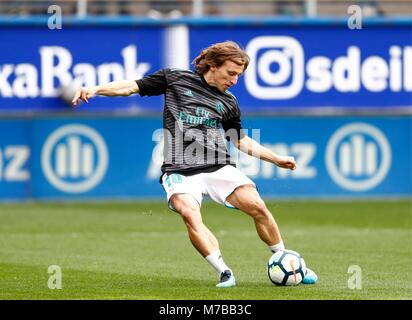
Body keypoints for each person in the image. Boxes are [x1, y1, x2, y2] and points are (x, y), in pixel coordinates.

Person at [71, 41, 317, 288]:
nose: (234, 81)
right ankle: (224, 272)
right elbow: (131, 87)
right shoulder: (174, 79)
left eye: (239, 76)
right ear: (213, 65)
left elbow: (240, 141)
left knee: (258, 206)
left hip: (218, 166)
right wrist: (95, 89)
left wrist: (276, 159)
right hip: (179, 169)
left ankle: (288, 261)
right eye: (230, 73)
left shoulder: (228, 101)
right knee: (190, 214)